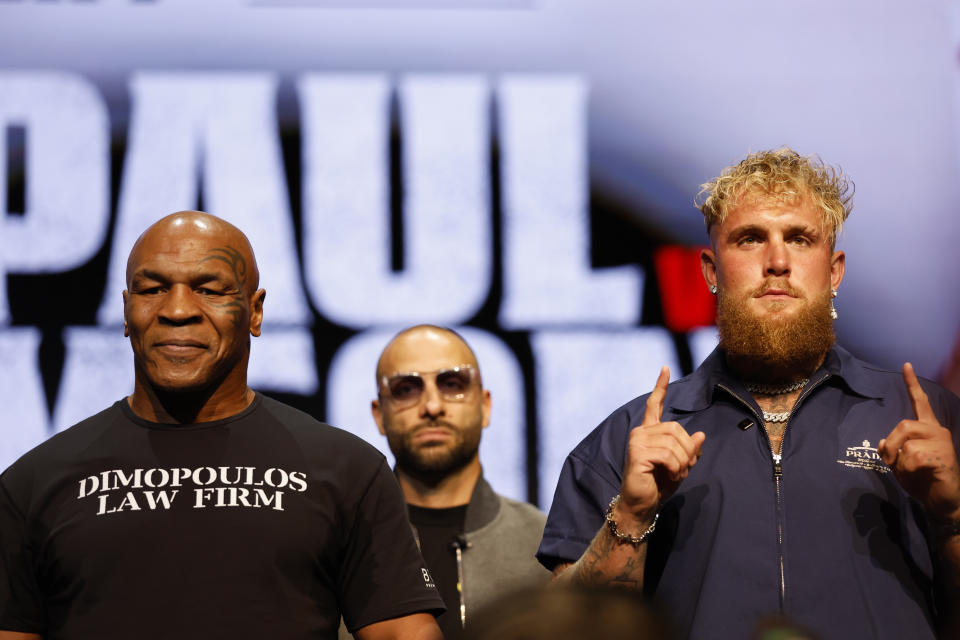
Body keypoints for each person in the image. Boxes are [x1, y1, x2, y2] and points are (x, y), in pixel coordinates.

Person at [537, 148, 960, 639]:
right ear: (712, 272)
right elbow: (558, 632)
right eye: (750, 239)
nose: (777, 262)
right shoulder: (627, 440)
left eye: (800, 239)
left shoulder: (934, 425)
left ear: (835, 271)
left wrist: (952, 518)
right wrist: (630, 517)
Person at [0, 212, 444, 640]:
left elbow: (400, 631)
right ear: (126, 309)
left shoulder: (348, 471)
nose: (177, 310)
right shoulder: (33, 484)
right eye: (152, 289)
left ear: (254, 311)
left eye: (209, 290)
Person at [368, 325, 550, 639]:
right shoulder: (341, 546)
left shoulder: (544, 547)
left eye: (452, 384)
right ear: (379, 415)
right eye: (406, 389)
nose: (432, 407)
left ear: (485, 406)